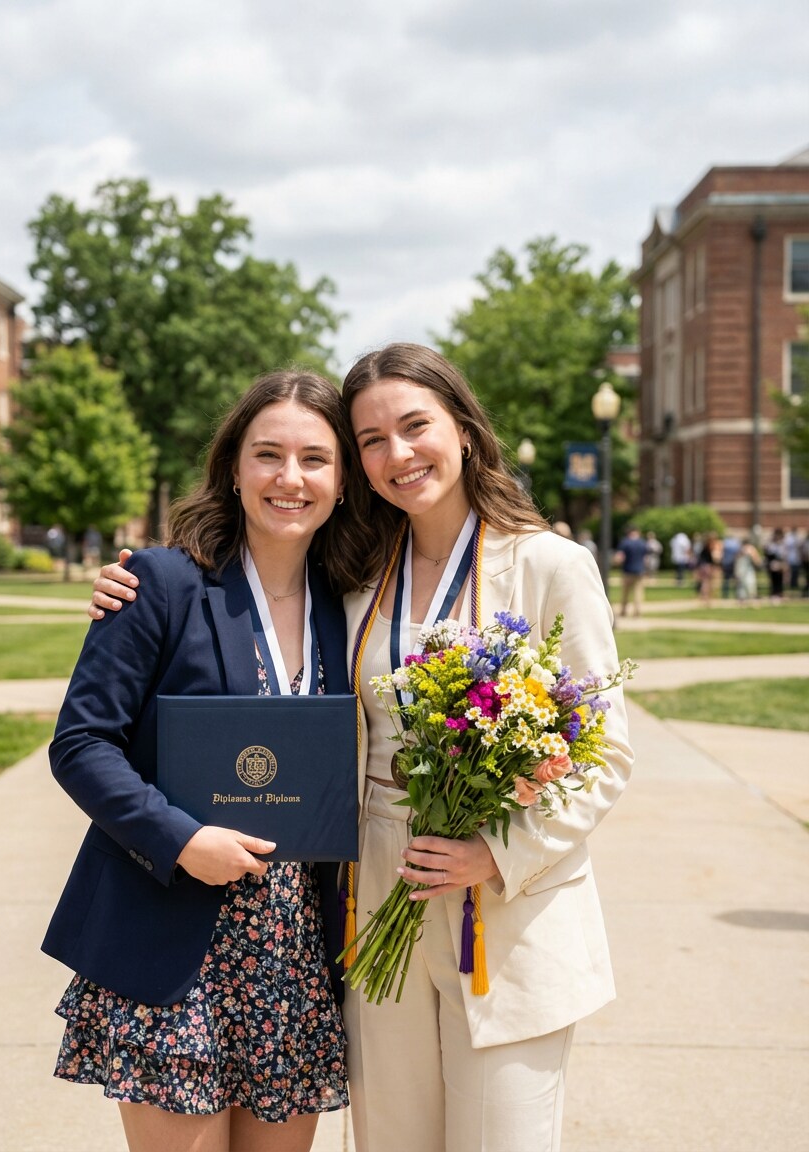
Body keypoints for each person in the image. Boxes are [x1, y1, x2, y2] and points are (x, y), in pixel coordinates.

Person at [92, 343, 633, 1152]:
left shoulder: (550, 566)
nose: (397, 454)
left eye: (415, 426)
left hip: (507, 904)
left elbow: (603, 753)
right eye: (371, 439)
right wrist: (123, 591)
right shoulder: (356, 574)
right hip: (373, 887)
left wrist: (499, 852)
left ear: (464, 428)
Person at [44, 370, 375, 1152]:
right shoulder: (161, 583)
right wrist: (183, 840)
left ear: (341, 481)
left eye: (315, 459)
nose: (289, 478)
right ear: (234, 466)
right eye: (268, 454)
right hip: (175, 945)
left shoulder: (355, 602)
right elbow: (82, 743)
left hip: (293, 956)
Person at [613, 525, 648, 618]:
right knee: (638, 592)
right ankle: (637, 612)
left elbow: (620, 557)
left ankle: (623, 611)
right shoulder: (642, 543)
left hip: (627, 570)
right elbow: (645, 558)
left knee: (625, 592)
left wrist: (615, 562)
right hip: (639, 571)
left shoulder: (625, 542)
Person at [696, 532, 721, 605]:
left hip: (703, 566)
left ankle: (705, 597)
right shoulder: (710, 546)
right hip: (707, 566)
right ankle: (706, 598)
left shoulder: (704, 546)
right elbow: (714, 557)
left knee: (705, 582)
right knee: (707, 583)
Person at [764, 528, 787, 603]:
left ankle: (779, 593)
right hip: (772, 563)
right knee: (773, 579)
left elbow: (784, 556)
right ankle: (774, 593)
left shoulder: (782, 544)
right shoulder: (771, 544)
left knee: (780, 579)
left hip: (779, 563)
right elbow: (768, 554)